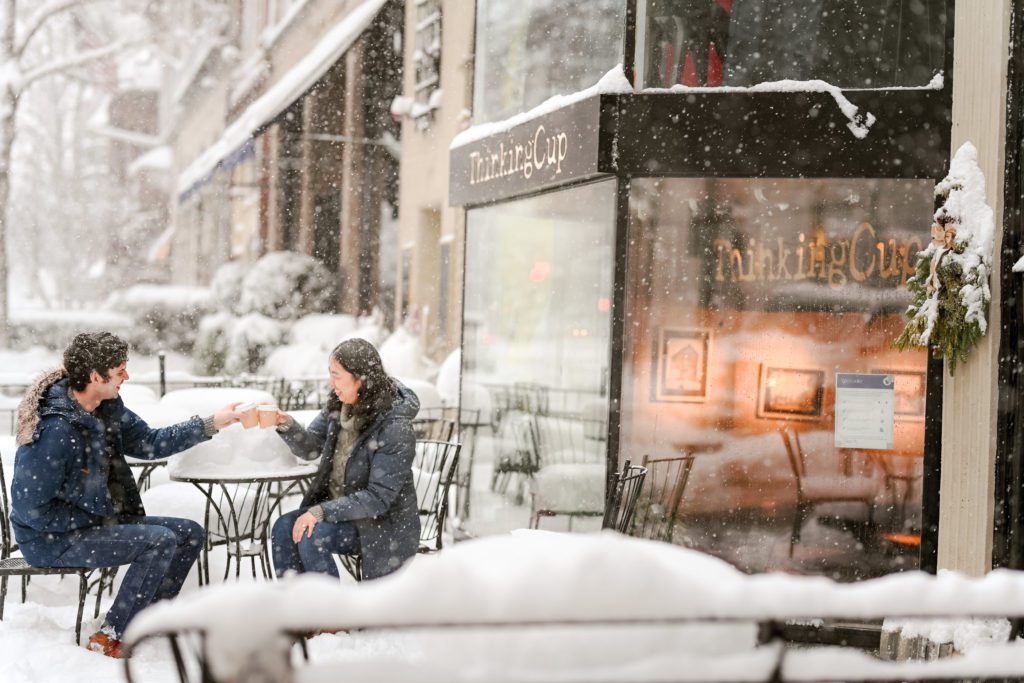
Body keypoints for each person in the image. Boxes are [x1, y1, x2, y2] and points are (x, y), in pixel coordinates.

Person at [10, 332, 242, 658]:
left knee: (188, 533)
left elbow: (149, 442)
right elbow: (29, 510)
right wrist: (97, 517)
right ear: (95, 376)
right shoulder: (55, 430)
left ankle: (147, 621)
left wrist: (210, 423)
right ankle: (111, 636)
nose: (127, 376)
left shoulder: (105, 408)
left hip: (93, 523)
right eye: (120, 370)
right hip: (50, 539)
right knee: (158, 539)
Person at [271, 338, 420, 581]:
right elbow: (311, 448)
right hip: (342, 512)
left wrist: (321, 512)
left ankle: (331, 614)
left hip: (382, 526)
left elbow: (378, 498)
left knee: (312, 536)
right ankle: (300, 609)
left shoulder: (394, 426)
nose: (331, 383)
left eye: (336, 375)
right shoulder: (339, 406)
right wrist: (286, 425)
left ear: (360, 378)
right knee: (284, 527)